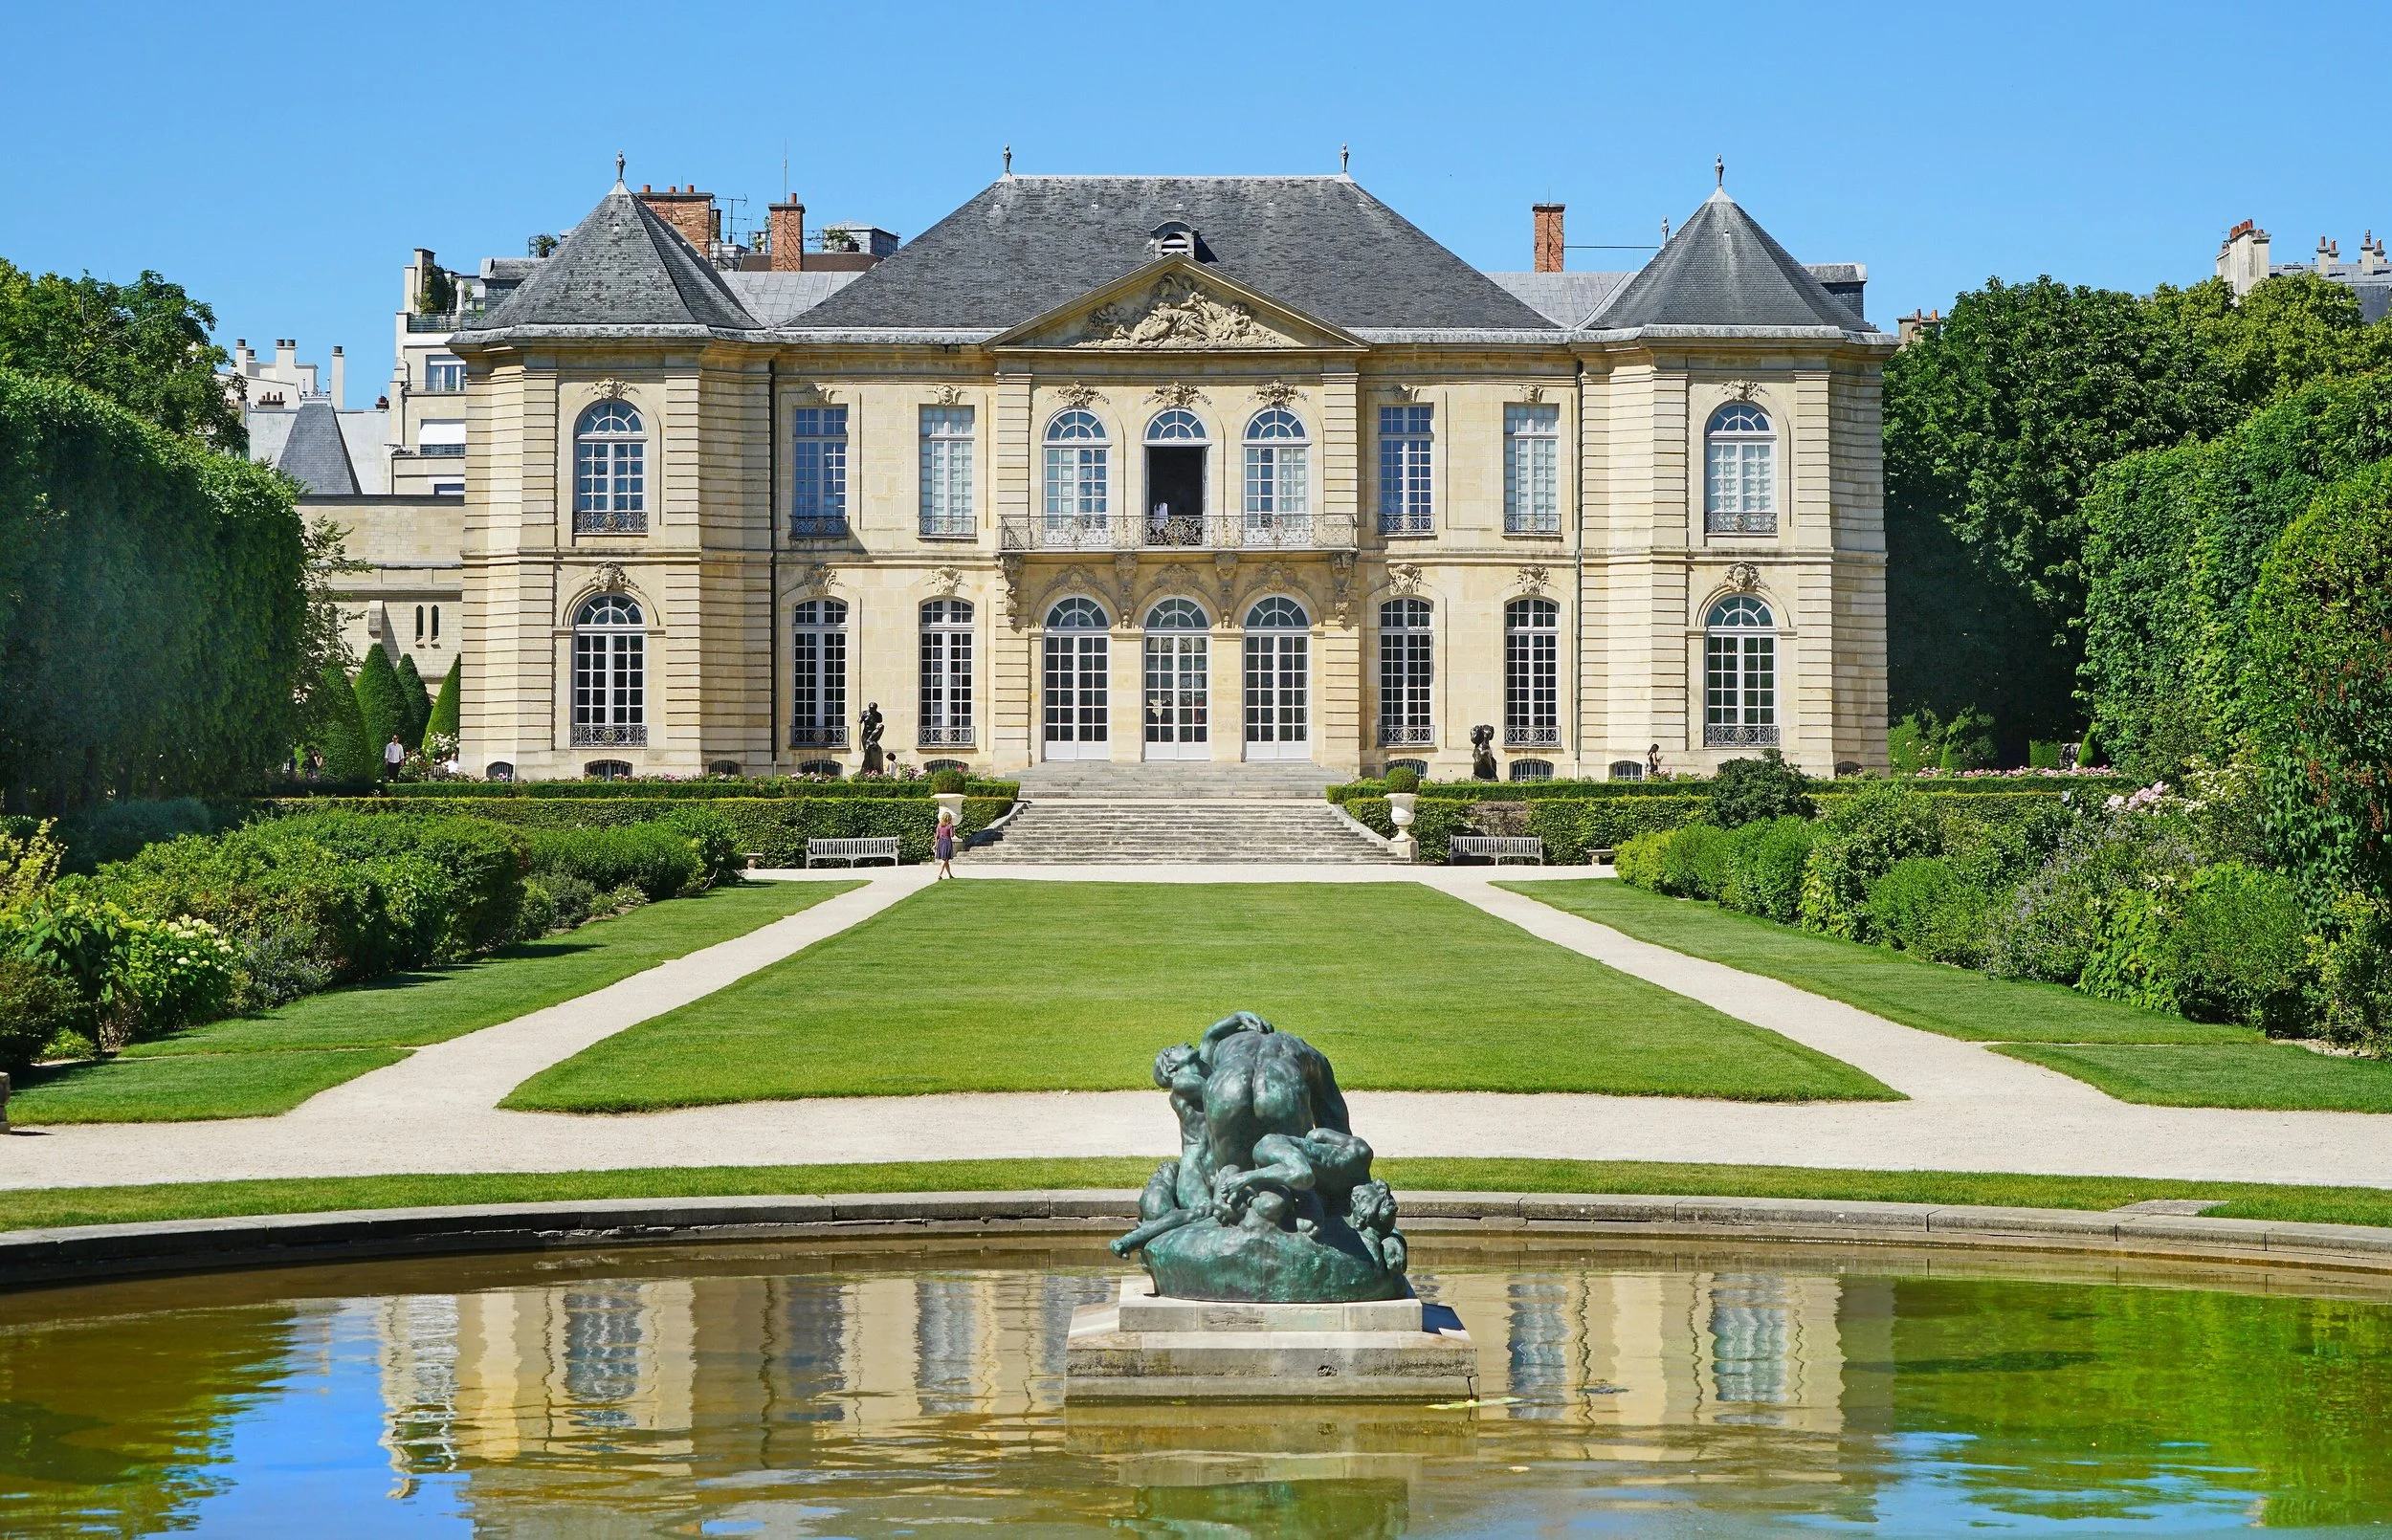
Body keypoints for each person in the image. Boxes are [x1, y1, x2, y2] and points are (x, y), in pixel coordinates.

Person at [933, 809, 958, 878]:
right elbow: (951, 835)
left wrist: (936, 844)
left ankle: (950, 875)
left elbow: (937, 836)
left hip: (941, 841)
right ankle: (940, 875)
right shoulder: (950, 825)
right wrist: (954, 830)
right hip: (947, 842)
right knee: (944, 859)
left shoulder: (939, 825)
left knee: (946, 860)